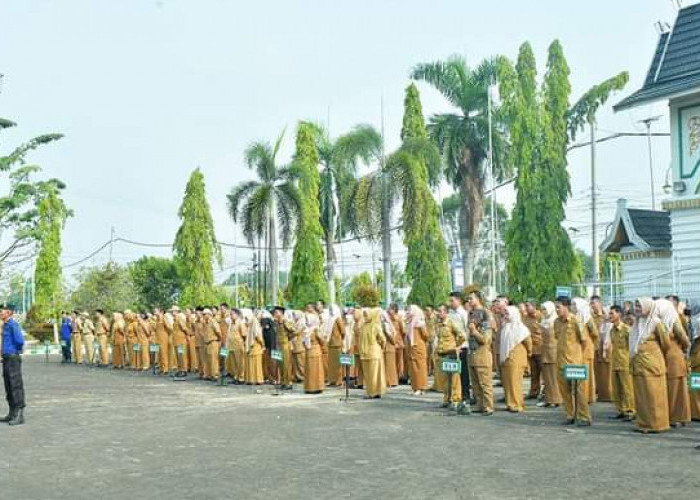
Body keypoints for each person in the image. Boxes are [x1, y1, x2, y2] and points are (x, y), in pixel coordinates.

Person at [630, 298, 670, 433]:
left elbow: (666, 344)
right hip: (639, 364)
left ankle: (657, 425)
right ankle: (643, 424)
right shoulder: (637, 323)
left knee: (654, 396)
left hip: (652, 366)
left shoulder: (656, 323)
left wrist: (652, 353)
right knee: (641, 396)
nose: (637, 309)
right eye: (636, 306)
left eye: (639, 306)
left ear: (647, 307)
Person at [555, 297, 591, 426]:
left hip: (575, 363)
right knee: (565, 391)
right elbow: (557, 338)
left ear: (566, 307)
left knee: (579, 392)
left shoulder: (576, 321)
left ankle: (584, 417)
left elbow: (584, 341)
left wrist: (579, 357)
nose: (556, 309)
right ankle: (570, 415)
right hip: (561, 362)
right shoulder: (556, 322)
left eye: (558, 307)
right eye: (556, 307)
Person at [656, 298, 691, 428]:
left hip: (674, 358)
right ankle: (673, 416)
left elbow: (684, 338)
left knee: (676, 389)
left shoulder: (673, 320)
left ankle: (677, 417)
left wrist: (683, 349)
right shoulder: (658, 322)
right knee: (671, 389)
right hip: (665, 358)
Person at [500, 306, 532, 413]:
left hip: (517, 357)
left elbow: (528, 343)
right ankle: (510, 403)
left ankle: (517, 404)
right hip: (506, 357)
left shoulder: (521, 328)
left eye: (507, 314)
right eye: (504, 314)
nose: (505, 316)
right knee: (507, 381)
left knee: (515, 382)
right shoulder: (505, 327)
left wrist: (529, 352)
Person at [467, 292, 494, 415]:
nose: (469, 301)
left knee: (485, 383)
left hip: (482, 354)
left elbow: (486, 339)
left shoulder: (485, 314)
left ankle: (488, 406)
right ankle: (480, 405)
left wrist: (474, 331)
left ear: (478, 299)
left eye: (471, 298)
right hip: (472, 353)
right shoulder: (471, 314)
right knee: (476, 384)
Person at [436, 303, 465, 410]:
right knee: (446, 379)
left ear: (446, 312)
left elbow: (462, 335)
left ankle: (455, 400)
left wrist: (456, 346)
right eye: (438, 311)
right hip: (443, 354)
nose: (438, 314)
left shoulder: (452, 322)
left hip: (451, 353)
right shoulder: (439, 324)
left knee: (454, 379)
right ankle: (446, 399)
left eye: (441, 311)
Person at [607, 305, 635, 421]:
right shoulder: (612, 330)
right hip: (615, 362)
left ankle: (631, 411)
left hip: (625, 362)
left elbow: (632, 347)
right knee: (617, 389)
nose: (609, 316)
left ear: (619, 314)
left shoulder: (627, 330)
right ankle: (621, 410)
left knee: (627, 388)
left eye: (612, 313)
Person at [1, 304, 25, 425]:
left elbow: (20, 341)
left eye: (2, 311)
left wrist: (15, 351)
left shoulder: (13, 325)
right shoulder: (5, 325)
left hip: (12, 358)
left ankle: (19, 414)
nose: (0, 313)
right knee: (8, 385)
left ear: (9, 313)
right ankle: (12, 412)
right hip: (6, 359)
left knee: (15, 385)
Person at [448, 291, 471, 414]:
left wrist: (462, 343)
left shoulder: (464, 314)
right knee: (453, 373)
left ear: (458, 300)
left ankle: (466, 396)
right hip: (452, 347)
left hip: (462, 347)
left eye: (452, 300)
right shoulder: (451, 314)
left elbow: (467, 330)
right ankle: (453, 397)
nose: (450, 303)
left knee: (463, 374)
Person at [572, 297, 598, 404]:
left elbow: (595, 333)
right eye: (572, 305)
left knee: (587, 374)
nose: (572, 307)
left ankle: (588, 397)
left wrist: (589, 342)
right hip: (577, 349)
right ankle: (580, 396)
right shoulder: (573, 318)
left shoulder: (587, 319)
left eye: (574, 305)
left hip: (587, 349)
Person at [359, 306, 387, 399]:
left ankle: (373, 392)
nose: (365, 317)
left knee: (374, 374)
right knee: (368, 374)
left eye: (366, 315)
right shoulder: (363, 325)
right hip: (365, 353)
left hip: (374, 353)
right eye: (364, 315)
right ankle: (373, 391)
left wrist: (381, 347)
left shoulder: (376, 325)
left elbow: (382, 339)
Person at [538, 301, 562, 408]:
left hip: (553, 351)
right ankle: (548, 398)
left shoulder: (555, 321)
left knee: (554, 377)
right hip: (544, 350)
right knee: (546, 377)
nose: (543, 312)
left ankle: (556, 399)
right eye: (542, 309)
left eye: (545, 309)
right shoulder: (543, 320)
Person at [591, 296, 612, 402]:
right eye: (591, 304)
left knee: (607, 373)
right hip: (595, 348)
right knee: (597, 372)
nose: (592, 306)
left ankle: (608, 394)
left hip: (606, 348)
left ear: (599, 303)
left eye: (594, 303)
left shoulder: (606, 316)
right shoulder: (591, 317)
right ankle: (599, 392)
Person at [522, 300, 543, 400]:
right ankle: (534, 391)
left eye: (528, 306)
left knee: (545, 373)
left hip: (541, 348)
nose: (526, 308)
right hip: (531, 349)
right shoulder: (525, 318)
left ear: (534, 306)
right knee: (534, 372)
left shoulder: (541, 316)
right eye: (525, 306)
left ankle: (546, 392)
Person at [406, 305, 429, 395]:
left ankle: (421, 387)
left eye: (410, 310)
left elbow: (426, 335)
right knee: (413, 369)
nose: (408, 312)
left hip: (419, 348)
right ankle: (415, 388)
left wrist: (419, 342)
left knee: (420, 368)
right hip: (411, 348)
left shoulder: (419, 323)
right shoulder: (409, 322)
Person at [272, 306, 295, 389]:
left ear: (281, 313)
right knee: (280, 364)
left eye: (276, 312)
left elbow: (293, 330)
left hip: (285, 345)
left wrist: (289, 338)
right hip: (278, 345)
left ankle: (288, 383)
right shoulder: (276, 322)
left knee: (286, 365)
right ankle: (282, 382)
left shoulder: (286, 321)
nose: (274, 313)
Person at [303, 312, 325, 394]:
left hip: (310, 351)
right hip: (315, 351)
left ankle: (310, 387)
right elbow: (322, 340)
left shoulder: (308, 331)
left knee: (311, 370)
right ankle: (316, 387)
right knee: (315, 370)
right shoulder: (314, 329)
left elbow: (303, 342)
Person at [324, 305, 345, 387]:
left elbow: (343, 331)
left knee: (338, 363)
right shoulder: (330, 319)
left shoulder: (338, 319)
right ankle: (331, 380)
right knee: (331, 363)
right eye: (330, 309)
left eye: (332, 309)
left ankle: (339, 380)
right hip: (330, 344)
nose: (331, 310)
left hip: (337, 344)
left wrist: (339, 339)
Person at [243, 309, 265, 385]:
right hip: (256, 345)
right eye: (260, 314)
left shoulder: (250, 321)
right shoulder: (255, 321)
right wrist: (262, 343)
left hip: (250, 345)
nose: (261, 316)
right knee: (257, 363)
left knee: (251, 363)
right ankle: (258, 379)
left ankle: (250, 379)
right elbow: (257, 334)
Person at [229, 308, 247, 384]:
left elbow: (244, 335)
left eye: (232, 314)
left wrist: (241, 343)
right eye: (230, 314)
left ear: (237, 314)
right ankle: (236, 377)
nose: (230, 316)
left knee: (240, 362)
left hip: (238, 345)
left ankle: (241, 378)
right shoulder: (231, 324)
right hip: (232, 345)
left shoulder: (240, 323)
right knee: (234, 363)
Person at [382, 307, 399, 388]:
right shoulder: (388, 324)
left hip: (389, 346)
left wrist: (393, 341)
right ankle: (389, 381)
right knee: (388, 365)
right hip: (387, 347)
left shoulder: (387, 325)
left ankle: (391, 381)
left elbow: (391, 336)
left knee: (390, 365)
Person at [203, 308, 222, 381]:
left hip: (213, 342)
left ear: (209, 314)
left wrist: (219, 340)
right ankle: (208, 374)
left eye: (205, 314)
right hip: (207, 343)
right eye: (203, 314)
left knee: (214, 359)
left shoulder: (213, 322)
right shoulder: (206, 323)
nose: (203, 316)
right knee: (207, 360)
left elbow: (218, 332)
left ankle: (215, 375)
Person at [173, 306, 189, 377]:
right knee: (178, 356)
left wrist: (188, 334)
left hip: (181, 340)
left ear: (176, 311)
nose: (172, 312)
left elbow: (184, 328)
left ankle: (184, 370)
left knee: (182, 355)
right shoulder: (175, 319)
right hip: (176, 340)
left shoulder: (179, 318)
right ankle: (179, 370)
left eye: (173, 311)